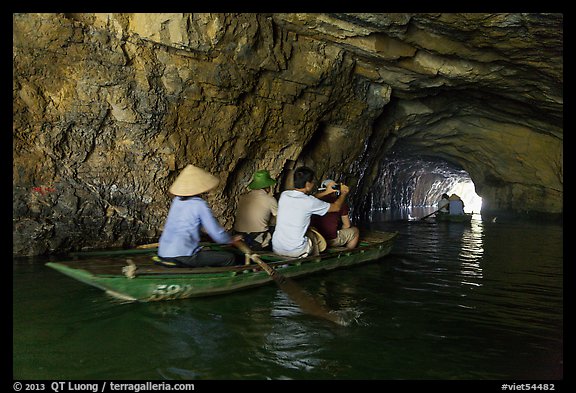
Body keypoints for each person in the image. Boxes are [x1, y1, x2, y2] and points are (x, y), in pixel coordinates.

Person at [157, 164, 242, 268]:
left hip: (163, 253)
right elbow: (217, 234)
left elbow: (184, 225)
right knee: (229, 258)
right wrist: (230, 240)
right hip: (183, 256)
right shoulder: (199, 204)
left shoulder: (176, 201)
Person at [272, 166, 350, 258]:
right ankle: (317, 260)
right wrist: (344, 193)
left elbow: (309, 200)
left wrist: (326, 192)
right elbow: (336, 207)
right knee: (314, 234)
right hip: (296, 250)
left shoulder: (285, 195)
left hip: (276, 248)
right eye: (312, 182)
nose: (313, 184)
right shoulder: (309, 202)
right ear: (308, 184)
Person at [233, 169, 278, 251]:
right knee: (275, 229)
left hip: (238, 236)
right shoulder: (270, 199)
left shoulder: (242, 197)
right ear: (268, 187)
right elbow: (279, 219)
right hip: (257, 239)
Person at [311, 179, 359, 249]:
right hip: (331, 240)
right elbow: (347, 225)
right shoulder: (340, 203)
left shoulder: (312, 201)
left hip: (316, 239)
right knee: (355, 231)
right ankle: (348, 252)